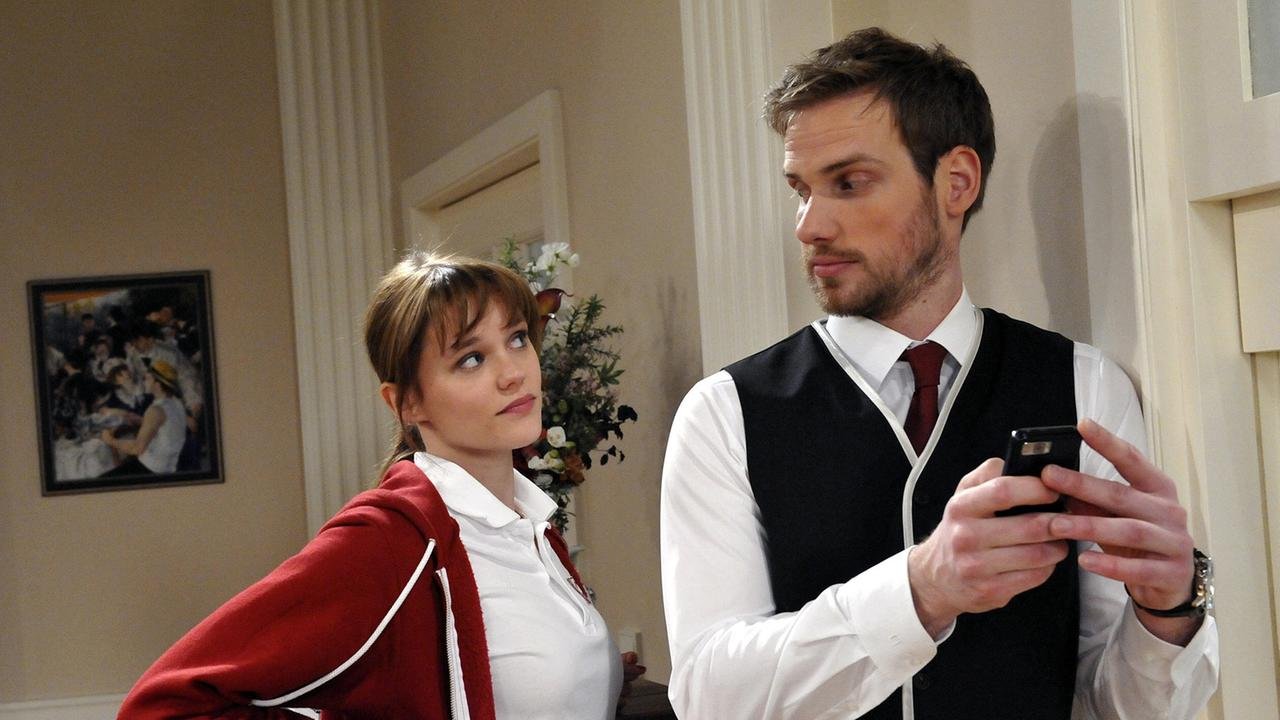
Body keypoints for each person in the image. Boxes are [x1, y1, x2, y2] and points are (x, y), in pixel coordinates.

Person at [660, 27, 1219, 720]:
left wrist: (1168, 612)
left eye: (848, 183)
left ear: (956, 182)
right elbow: (708, 696)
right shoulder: (724, 413)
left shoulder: (1086, 386)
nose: (808, 225)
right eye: (801, 190)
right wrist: (921, 590)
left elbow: (1121, 706)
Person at [119, 252, 629, 718]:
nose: (513, 372)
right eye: (471, 358)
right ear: (407, 403)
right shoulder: (389, 541)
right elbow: (161, 707)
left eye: (517, 339)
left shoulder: (531, 524)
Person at [101, 359, 186, 476]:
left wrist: (110, 441)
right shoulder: (175, 403)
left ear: (157, 385)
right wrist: (139, 419)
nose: (143, 380)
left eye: (147, 378)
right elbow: (161, 424)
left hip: (151, 468)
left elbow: (137, 448)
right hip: (168, 466)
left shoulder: (155, 409)